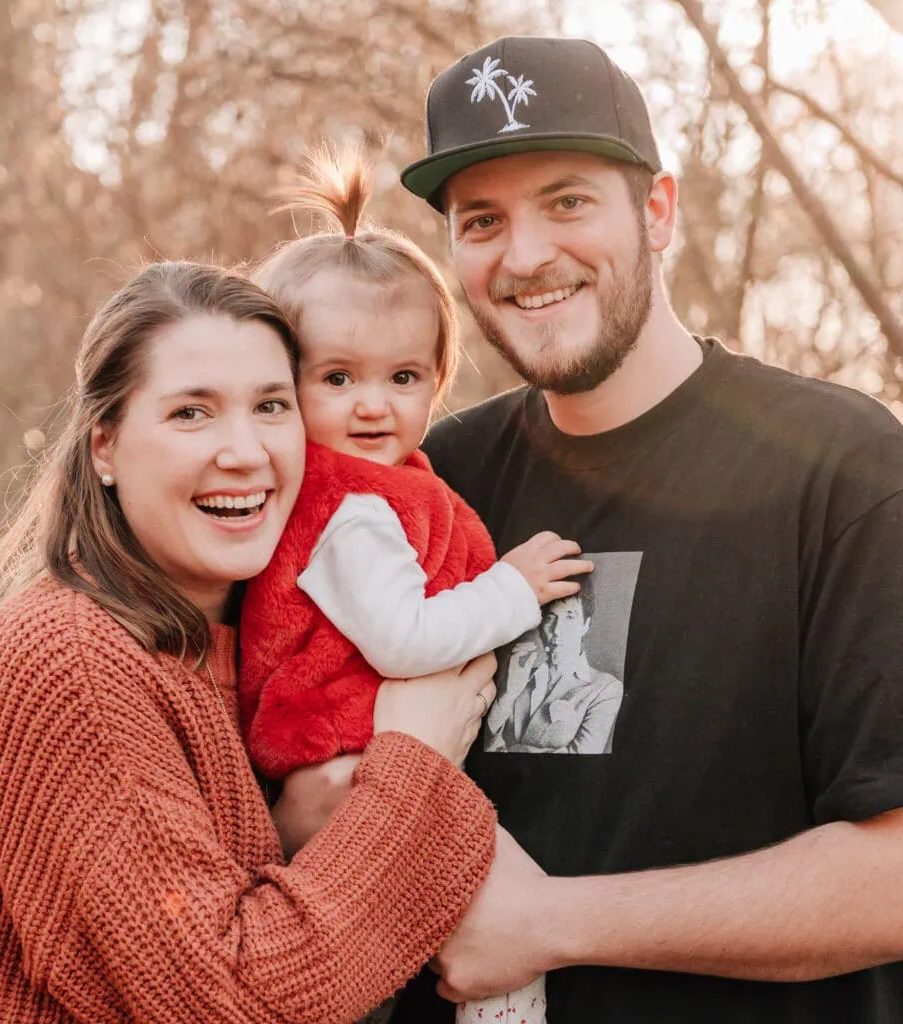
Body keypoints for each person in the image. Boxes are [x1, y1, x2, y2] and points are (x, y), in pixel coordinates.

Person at [387, 34, 903, 1024]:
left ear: (656, 212)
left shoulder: (842, 465)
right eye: (481, 219)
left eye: (567, 201)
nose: (525, 255)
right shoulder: (433, 484)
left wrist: (555, 921)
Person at [0, 260, 537, 1024]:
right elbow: (236, 1003)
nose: (245, 451)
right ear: (104, 446)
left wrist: (295, 825)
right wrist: (414, 758)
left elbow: (186, 912)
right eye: (191, 413)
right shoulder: (72, 656)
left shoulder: (248, 639)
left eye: (271, 405)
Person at [241, 144, 588, 1024]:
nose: (372, 406)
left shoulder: (384, 487)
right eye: (337, 379)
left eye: (403, 379)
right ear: (283, 386)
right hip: (356, 766)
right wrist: (512, 588)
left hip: (371, 760)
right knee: (511, 925)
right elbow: (403, 636)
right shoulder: (349, 508)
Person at [487, 586, 622, 754]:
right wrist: (509, 691)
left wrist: (515, 750)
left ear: (585, 625)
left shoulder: (605, 688)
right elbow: (489, 747)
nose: (557, 631)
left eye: (569, 617)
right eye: (551, 618)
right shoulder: (519, 675)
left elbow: (583, 757)